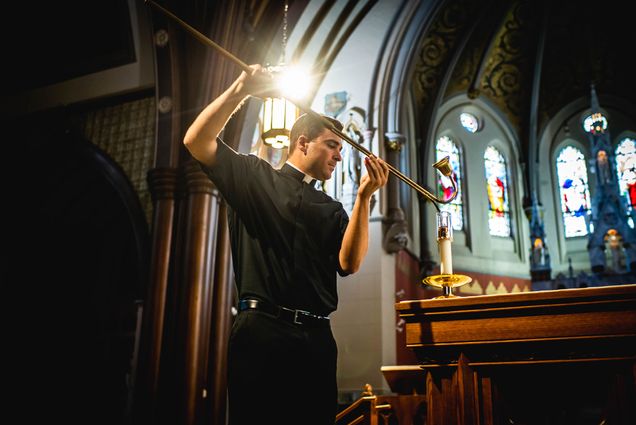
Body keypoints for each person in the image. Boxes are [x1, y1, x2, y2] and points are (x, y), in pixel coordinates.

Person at [183, 64, 389, 425]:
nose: (339, 156)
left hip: (317, 337)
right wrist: (242, 90)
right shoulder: (252, 176)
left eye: (341, 149)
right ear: (302, 142)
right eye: (332, 146)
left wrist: (364, 198)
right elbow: (195, 141)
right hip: (261, 331)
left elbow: (349, 263)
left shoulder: (333, 208)